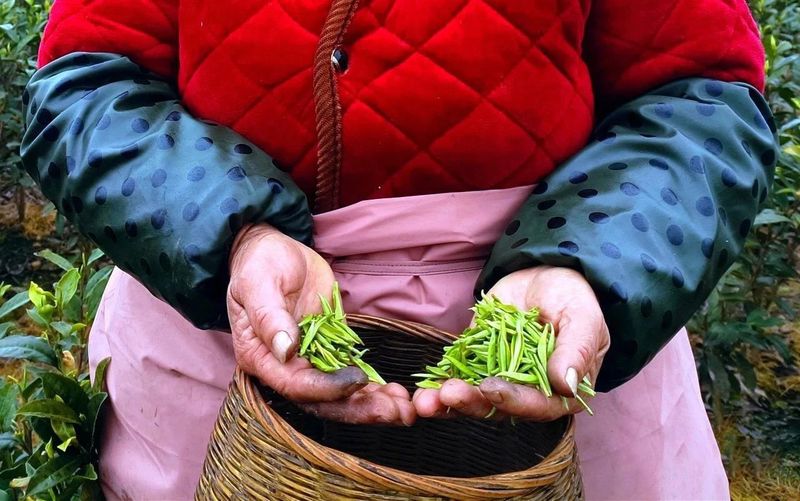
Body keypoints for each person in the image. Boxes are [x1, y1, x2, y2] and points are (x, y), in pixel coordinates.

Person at [21, 0, 777, 499]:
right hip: (225, 318)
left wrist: (589, 262)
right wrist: (234, 233)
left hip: (555, 338)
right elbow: (88, 84)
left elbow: (701, 94)